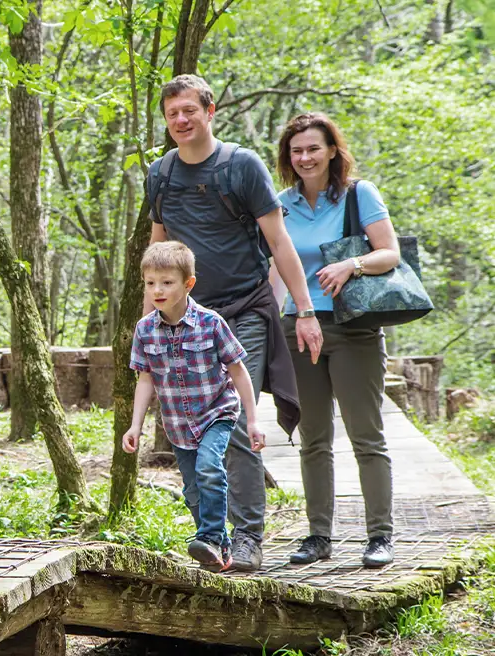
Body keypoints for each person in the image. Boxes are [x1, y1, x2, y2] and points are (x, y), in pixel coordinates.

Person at [144, 74, 320, 572]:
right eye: (172, 113)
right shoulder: (159, 175)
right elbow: (157, 254)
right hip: (185, 322)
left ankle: (247, 539)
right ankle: (211, 536)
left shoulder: (240, 166)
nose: (181, 121)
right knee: (189, 431)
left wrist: (304, 311)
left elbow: (280, 242)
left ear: (210, 110)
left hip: (244, 312)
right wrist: (149, 322)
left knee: (237, 422)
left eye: (189, 111)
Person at [274, 113, 397, 568]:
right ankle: (318, 536)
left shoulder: (357, 195)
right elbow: (274, 269)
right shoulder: (281, 203)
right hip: (296, 328)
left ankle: (379, 535)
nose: (305, 157)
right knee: (313, 438)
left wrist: (352, 265)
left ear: (331, 151)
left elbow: (390, 253)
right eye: (296, 150)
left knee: (367, 435)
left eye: (313, 148)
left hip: (353, 327)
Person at [124, 242, 267, 571]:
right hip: (177, 422)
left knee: (208, 468)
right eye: (150, 283)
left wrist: (253, 420)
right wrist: (135, 426)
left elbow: (239, 372)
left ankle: (211, 536)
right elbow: (145, 379)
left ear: (188, 283)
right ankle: (217, 549)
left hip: (217, 413)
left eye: (167, 282)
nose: (157, 290)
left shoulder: (211, 323)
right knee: (192, 489)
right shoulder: (145, 330)